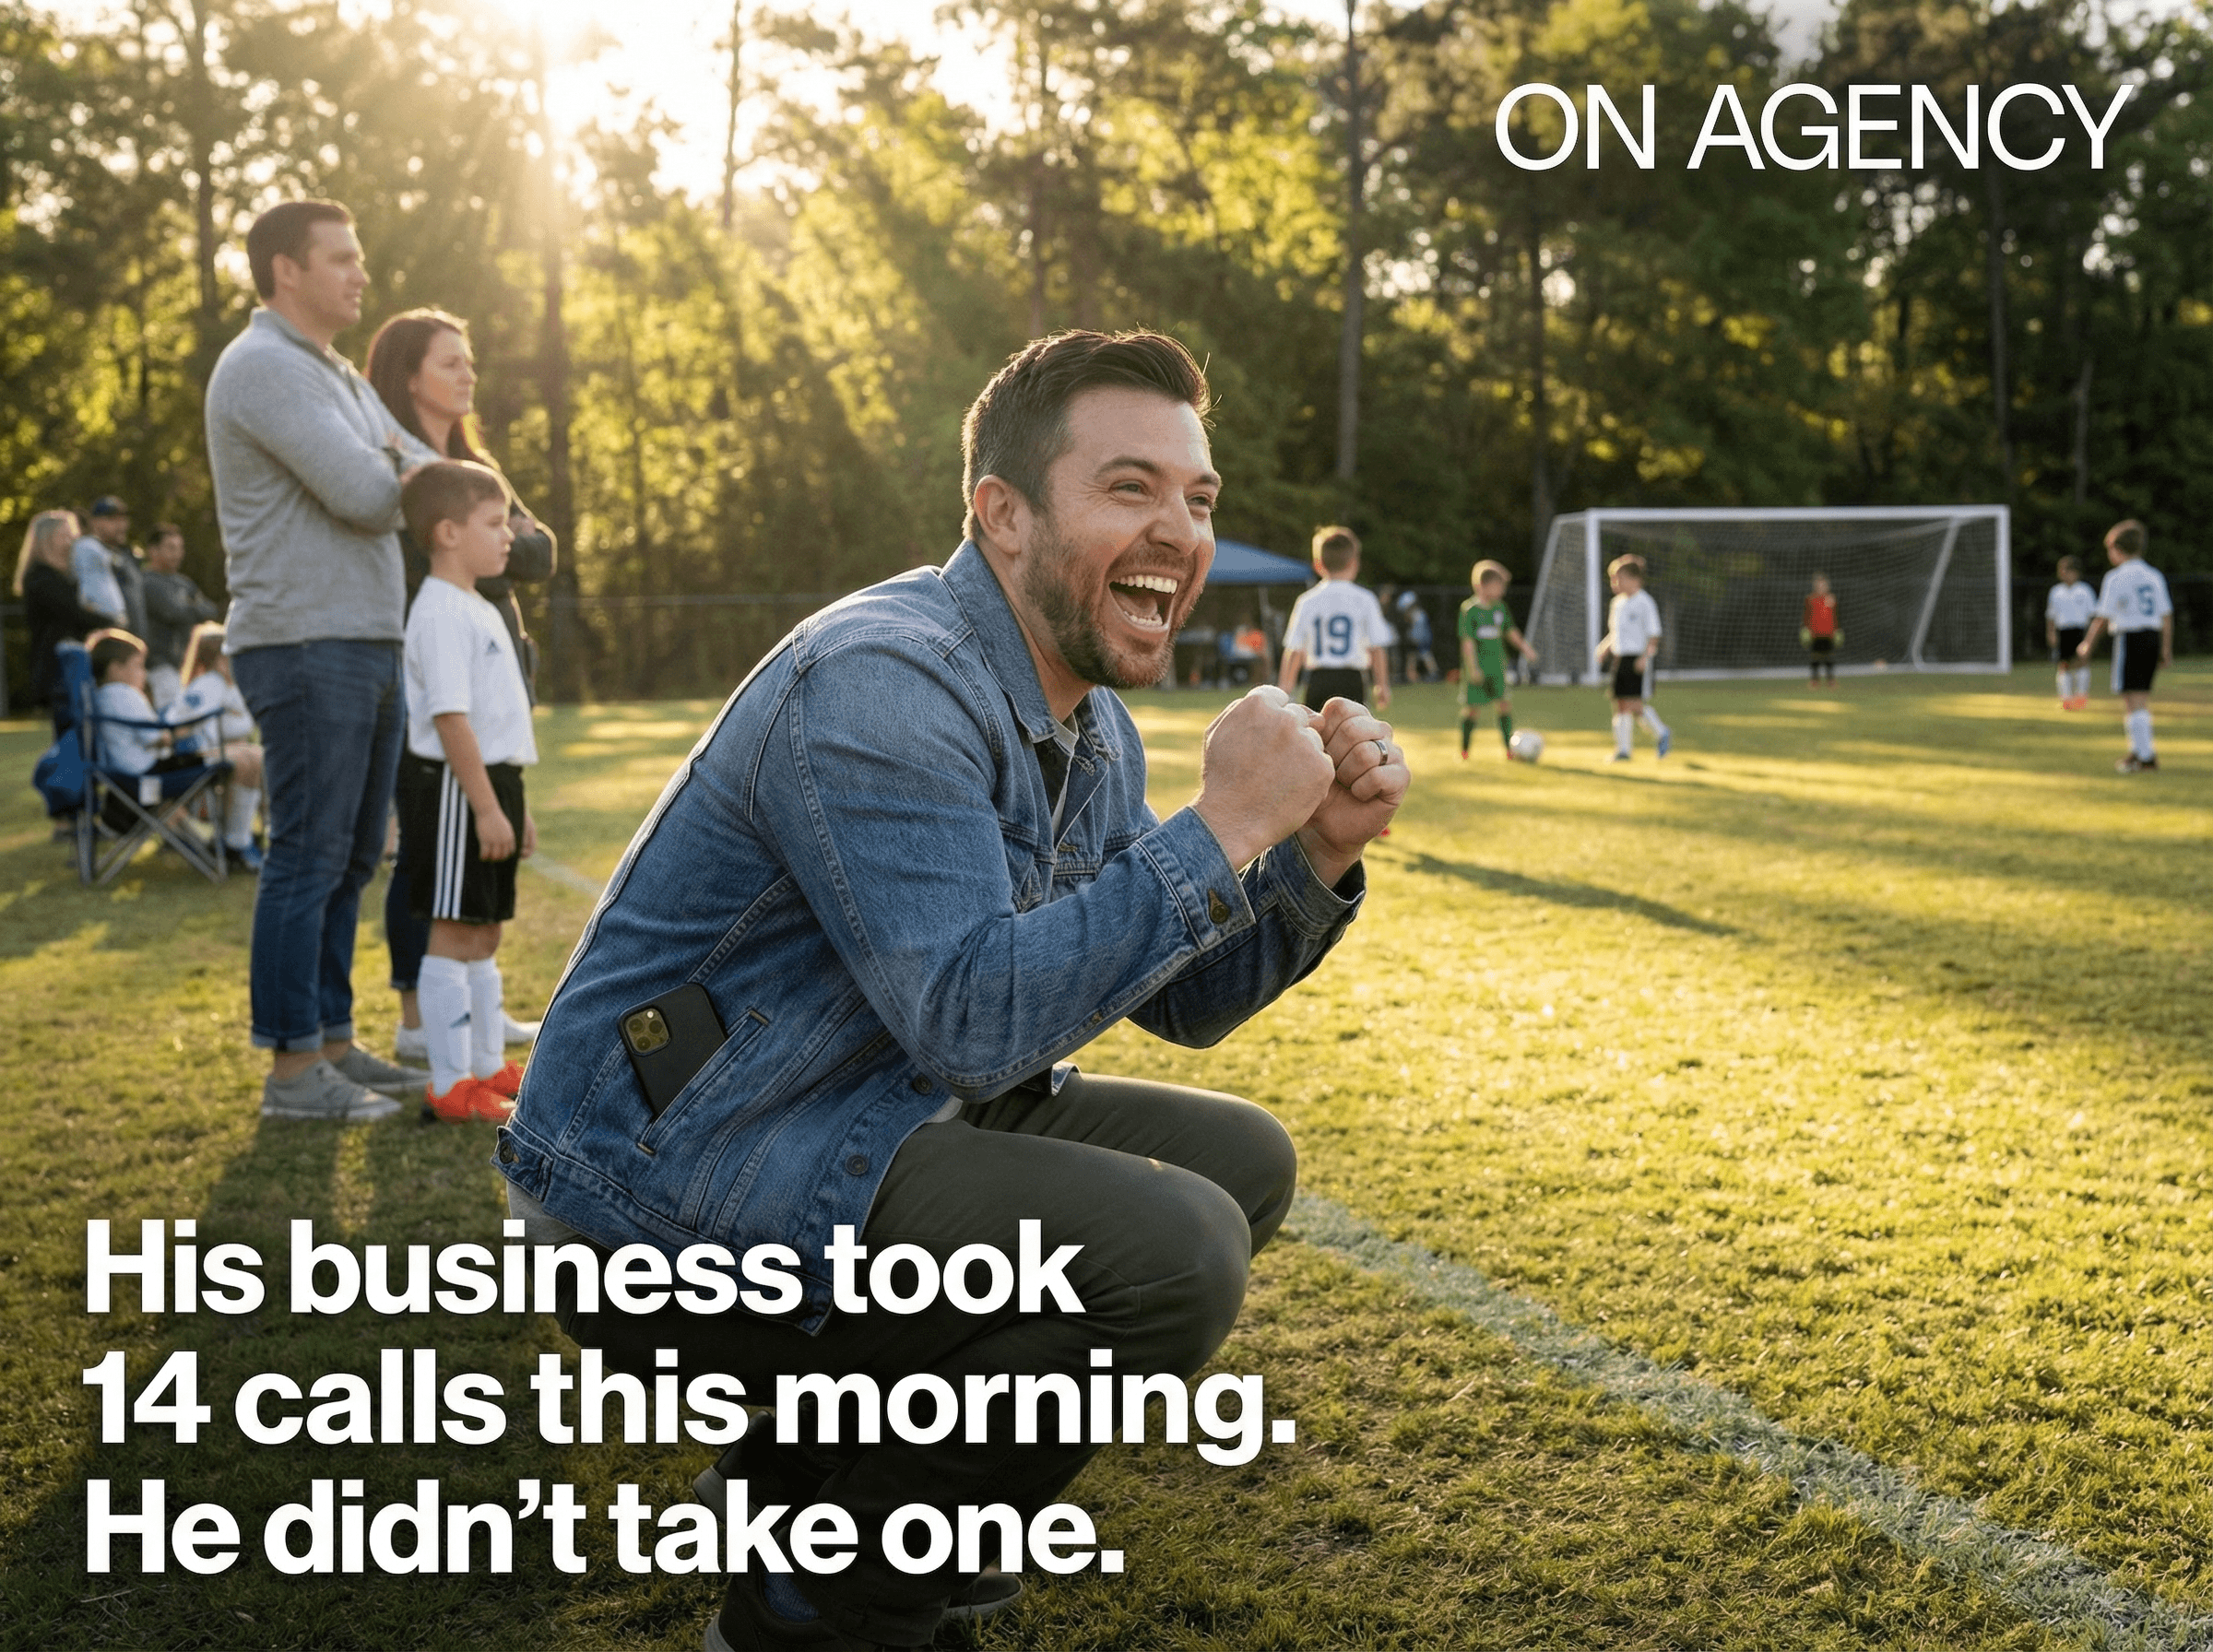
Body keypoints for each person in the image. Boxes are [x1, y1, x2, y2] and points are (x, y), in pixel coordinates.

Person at [497, 330, 1407, 1652]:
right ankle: (818, 1603)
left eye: (1199, 498)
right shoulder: (882, 679)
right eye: (1131, 487)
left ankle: (793, 1482)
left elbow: (1182, 999)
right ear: (1004, 514)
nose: (1180, 530)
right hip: (665, 1192)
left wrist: (1310, 855)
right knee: (1175, 1253)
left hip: (851, 1114)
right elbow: (974, 1024)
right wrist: (1218, 829)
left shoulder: (1088, 718)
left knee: (1244, 1161)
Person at [203, 197, 433, 1123]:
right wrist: (394, 466)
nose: (360, 274)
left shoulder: (335, 371)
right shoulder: (262, 366)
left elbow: (418, 465)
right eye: (340, 258)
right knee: (307, 853)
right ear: (286, 271)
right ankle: (294, 1071)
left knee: (352, 855)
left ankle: (334, 1043)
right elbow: (368, 493)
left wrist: (397, 464)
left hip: (365, 637)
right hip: (302, 641)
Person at [365, 306, 557, 1063]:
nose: (468, 373)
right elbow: (457, 560)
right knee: (433, 865)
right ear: (409, 375)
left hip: (495, 661)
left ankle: (475, 1028)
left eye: (469, 359)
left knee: (482, 890)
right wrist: (496, 552)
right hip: (446, 683)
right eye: (450, 362)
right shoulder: (397, 465)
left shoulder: (476, 467)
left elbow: (540, 551)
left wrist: (499, 546)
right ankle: (422, 1017)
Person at [394, 462, 533, 1121]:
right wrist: (484, 806)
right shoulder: (440, 612)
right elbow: (451, 720)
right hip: (456, 790)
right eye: (495, 522)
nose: (509, 535)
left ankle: (484, 1067)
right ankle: (450, 1086)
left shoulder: (475, 604)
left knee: (484, 930)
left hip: (492, 782)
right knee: (453, 931)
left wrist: (510, 805)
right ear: (447, 532)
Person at [2077, 519, 2172, 773]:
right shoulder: (2153, 575)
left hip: (2130, 638)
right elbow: (2166, 615)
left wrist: (2087, 644)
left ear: (2117, 549)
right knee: (2138, 697)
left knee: (2133, 699)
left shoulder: (2117, 577)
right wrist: (2166, 649)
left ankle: (2146, 757)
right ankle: (2138, 752)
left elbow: (2102, 616)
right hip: (2152, 637)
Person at [173, 622, 266, 869]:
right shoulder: (209, 683)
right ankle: (236, 843)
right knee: (253, 758)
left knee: (260, 757)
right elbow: (181, 726)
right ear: (219, 660)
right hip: (193, 754)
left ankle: (247, 839)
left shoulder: (228, 686)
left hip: (214, 750)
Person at [1277, 525, 1393, 712]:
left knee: (1315, 728)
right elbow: (1376, 648)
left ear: (1318, 564)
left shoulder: (1307, 601)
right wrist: (1382, 685)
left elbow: (1294, 650)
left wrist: (1285, 688)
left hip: (1317, 679)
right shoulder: (1365, 599)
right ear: (1354, 563)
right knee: (1354, 728)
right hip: (1352, 679)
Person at [15, 510, 111, 731]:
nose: (72, 541)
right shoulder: (42, 579)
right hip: (59, 670)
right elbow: (76, 614)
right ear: (46, 541)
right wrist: (111, 622)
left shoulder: (65, 578)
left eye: (73, 535)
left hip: (72, 668)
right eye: (64, 536)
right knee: (71, 734)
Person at [1458, 560, 1538, 759]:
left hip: (1497, 668)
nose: (1503, 590)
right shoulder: (1470, 610)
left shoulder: (1500, 608)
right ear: (1482, 585)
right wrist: (1473, 668)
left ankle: (1509, 750)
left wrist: (1526, 649)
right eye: (1499, 585)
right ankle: (1465, 750)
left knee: (1504, 706)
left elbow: (1510, 631)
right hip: (1479, 669)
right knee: (1472, 710)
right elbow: (1467, 642)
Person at [140, 524, 222, 709]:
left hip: (185, 665)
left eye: (180, 548)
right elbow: (173, 611)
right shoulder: (146, 581)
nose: (177, 554)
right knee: (172, 715)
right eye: (171, 548)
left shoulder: (185, 583)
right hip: (158, 665)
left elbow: (210, 610)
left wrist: (188, 609)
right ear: (153, 550)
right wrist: (192, 608)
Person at [1598, 553, 1670, 761]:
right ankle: (1623, 750)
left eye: (1619, 579)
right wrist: (1604, 648)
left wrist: (1644, 657)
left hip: (1637, 659)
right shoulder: (1617, 604)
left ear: (1635, 580)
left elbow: (1654, 634)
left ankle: (1660, 732)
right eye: (1613, 579)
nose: (1615, 583)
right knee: (1620, 704)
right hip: (1620, 659)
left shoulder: (1645, 602)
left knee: (1634, 705)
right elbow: (1615, 633)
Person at [70, 498, 141, 633]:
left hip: (131, 639)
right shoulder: (85, 550)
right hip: (101, 635)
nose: (122, 525)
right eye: (113, 519)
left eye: (124, 519)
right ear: (94, 522)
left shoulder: (128, 556)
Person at [2046, 555, 2096, 710]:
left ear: (2076, 572)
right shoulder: (2056, 592)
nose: (2064, 574)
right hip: (2063, 631)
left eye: (2068, 571)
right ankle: (2066, 699)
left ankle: (2081, 698)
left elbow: (2093, 615)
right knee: (2064, 664)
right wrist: (2051, 633)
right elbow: (2051, 616)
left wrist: (2089, 637)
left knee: (2081, 663)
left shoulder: (2085, 591)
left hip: (2080, 630)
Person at [1802, 572, 1839, 688]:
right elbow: (1807, 615)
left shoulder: (1831, 598)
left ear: (1827, 585)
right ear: (1815, 585)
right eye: (1819, 584)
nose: (1821, 586)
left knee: (1829, 657)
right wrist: (1806, 628)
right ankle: (1814, 680)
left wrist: (1836, 629)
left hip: (1828, 633)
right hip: (1815, 633)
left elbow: (1835, 616)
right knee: (1815, 657)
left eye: (1823, 584)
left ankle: (1831, 680)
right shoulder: (1810, 598)